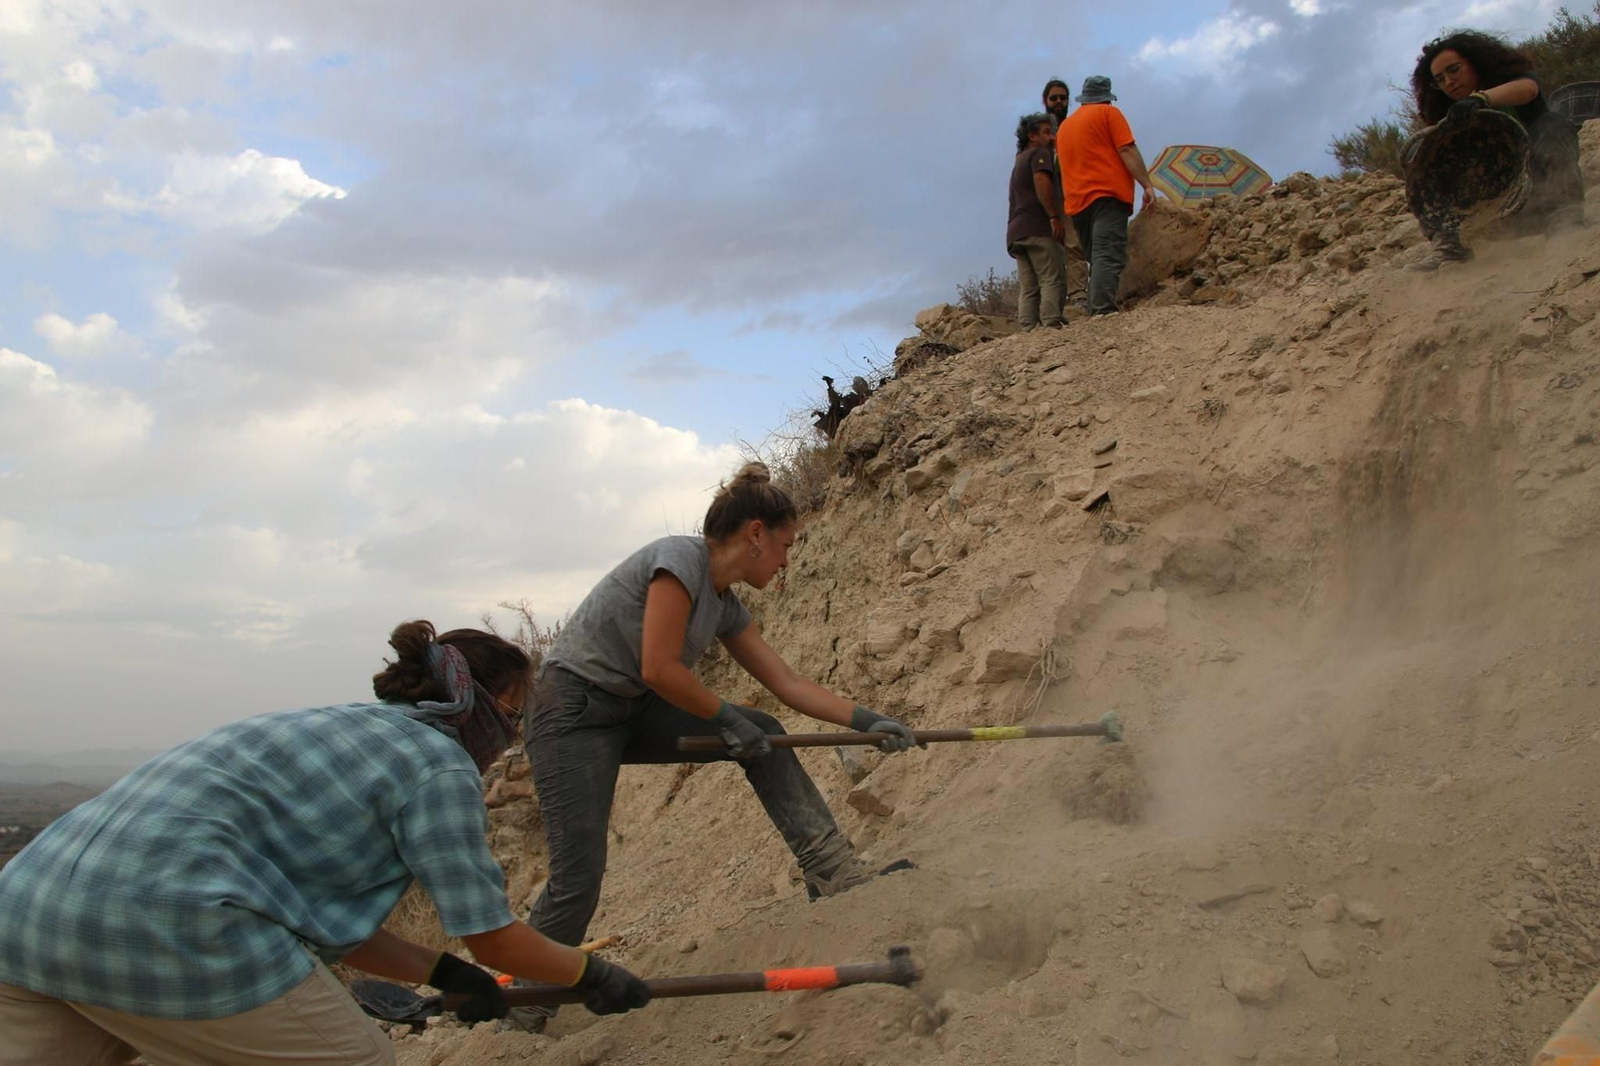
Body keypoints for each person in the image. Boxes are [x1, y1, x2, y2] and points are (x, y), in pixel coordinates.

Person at [0, 621, 651, 1066]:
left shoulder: (341, 728)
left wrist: (442, 971)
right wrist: (592, 974)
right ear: (479, 706)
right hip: (170, 920)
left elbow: (311, 916)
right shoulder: (436, 762)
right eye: (513, 714)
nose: (510, 734)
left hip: (28, 909)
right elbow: (493, 936)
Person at [513, 462, 917, 1028]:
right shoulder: (680, 561)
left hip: (632, 708)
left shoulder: (725, 604)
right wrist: (725, 716)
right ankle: (524, 1006)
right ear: (755, 533)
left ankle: (832, 872)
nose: (786, 559)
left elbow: (788, 684)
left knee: (766, 734)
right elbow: (658, 666)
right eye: (784, 544)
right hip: (573, 712)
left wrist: (866, 721)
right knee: (578, 875)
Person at [1403, 30, 1585, 271]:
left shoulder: (1511, 82)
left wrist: (1480, 99)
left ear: (1474, 62)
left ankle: (1566, 217)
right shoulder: (1450, 118)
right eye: (1439, 79)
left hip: (1542, 201)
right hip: (1496, 219)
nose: (1449, 81)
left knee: (1552, 123)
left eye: (1454, 69)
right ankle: (1450, 247)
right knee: (1424, 164)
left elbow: (1528, 89)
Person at [1055, 75, 1158, 316]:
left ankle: (1096, 309)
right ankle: (1102, 312)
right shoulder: (1110, 114)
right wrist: (1147, 185)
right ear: (1107, 98)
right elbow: (1126, 149)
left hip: (1077, 205)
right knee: (1107, 254)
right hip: (1107, 196)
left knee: (1096, 258)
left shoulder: (1065, 128)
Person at [1008, 112, 1068, 329]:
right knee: (1052, 277)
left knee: (1029, 286)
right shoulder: (1039, 155)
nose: (1052, 138)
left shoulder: (1018, 162)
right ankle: (1052, 324)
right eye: (1046, 132)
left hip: (1016, 232)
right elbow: (1041, 181)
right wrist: (1054, 216)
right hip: (1037, 227)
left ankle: (1028, 330)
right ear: (1032, 136)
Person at [1041, 77, 1091, 315]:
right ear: (1045, 101)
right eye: (1054, 98)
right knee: (1048, 249)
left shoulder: (1074, 125)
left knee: (1074, 243)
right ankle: (1051, 305)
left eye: (1063, 98)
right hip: (1047, 192)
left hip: (1073, 187)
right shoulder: (1038, 131)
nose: (1059, 102)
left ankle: (1079, 295)